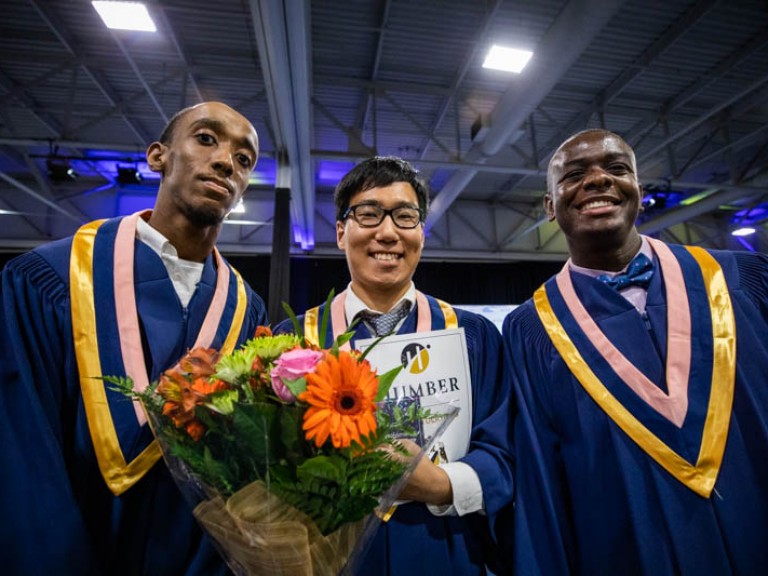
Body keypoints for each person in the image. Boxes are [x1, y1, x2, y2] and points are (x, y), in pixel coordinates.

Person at [0, 101, 268, 574]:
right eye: (206, 139)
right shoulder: (50, 278)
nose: (227, 161)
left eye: (244, 159)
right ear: (157, 156)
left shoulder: (245, 310)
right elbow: (21, 453)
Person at [503, 128, 768, 574]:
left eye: (616, 168)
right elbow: (540, 490)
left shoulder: (740, 278)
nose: (597, 180)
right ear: (550, 206)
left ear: (639, 192)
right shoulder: (531, 331)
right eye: (573, 175)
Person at [275, 156, 514, 575]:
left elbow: (505, 453)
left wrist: (441, 485)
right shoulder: (293, 344)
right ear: (339, 232)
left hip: (446, 551)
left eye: (405, 217)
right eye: (368, 214)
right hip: (331, 557)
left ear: (422, 232)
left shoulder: (472, 336)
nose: (387, 233)